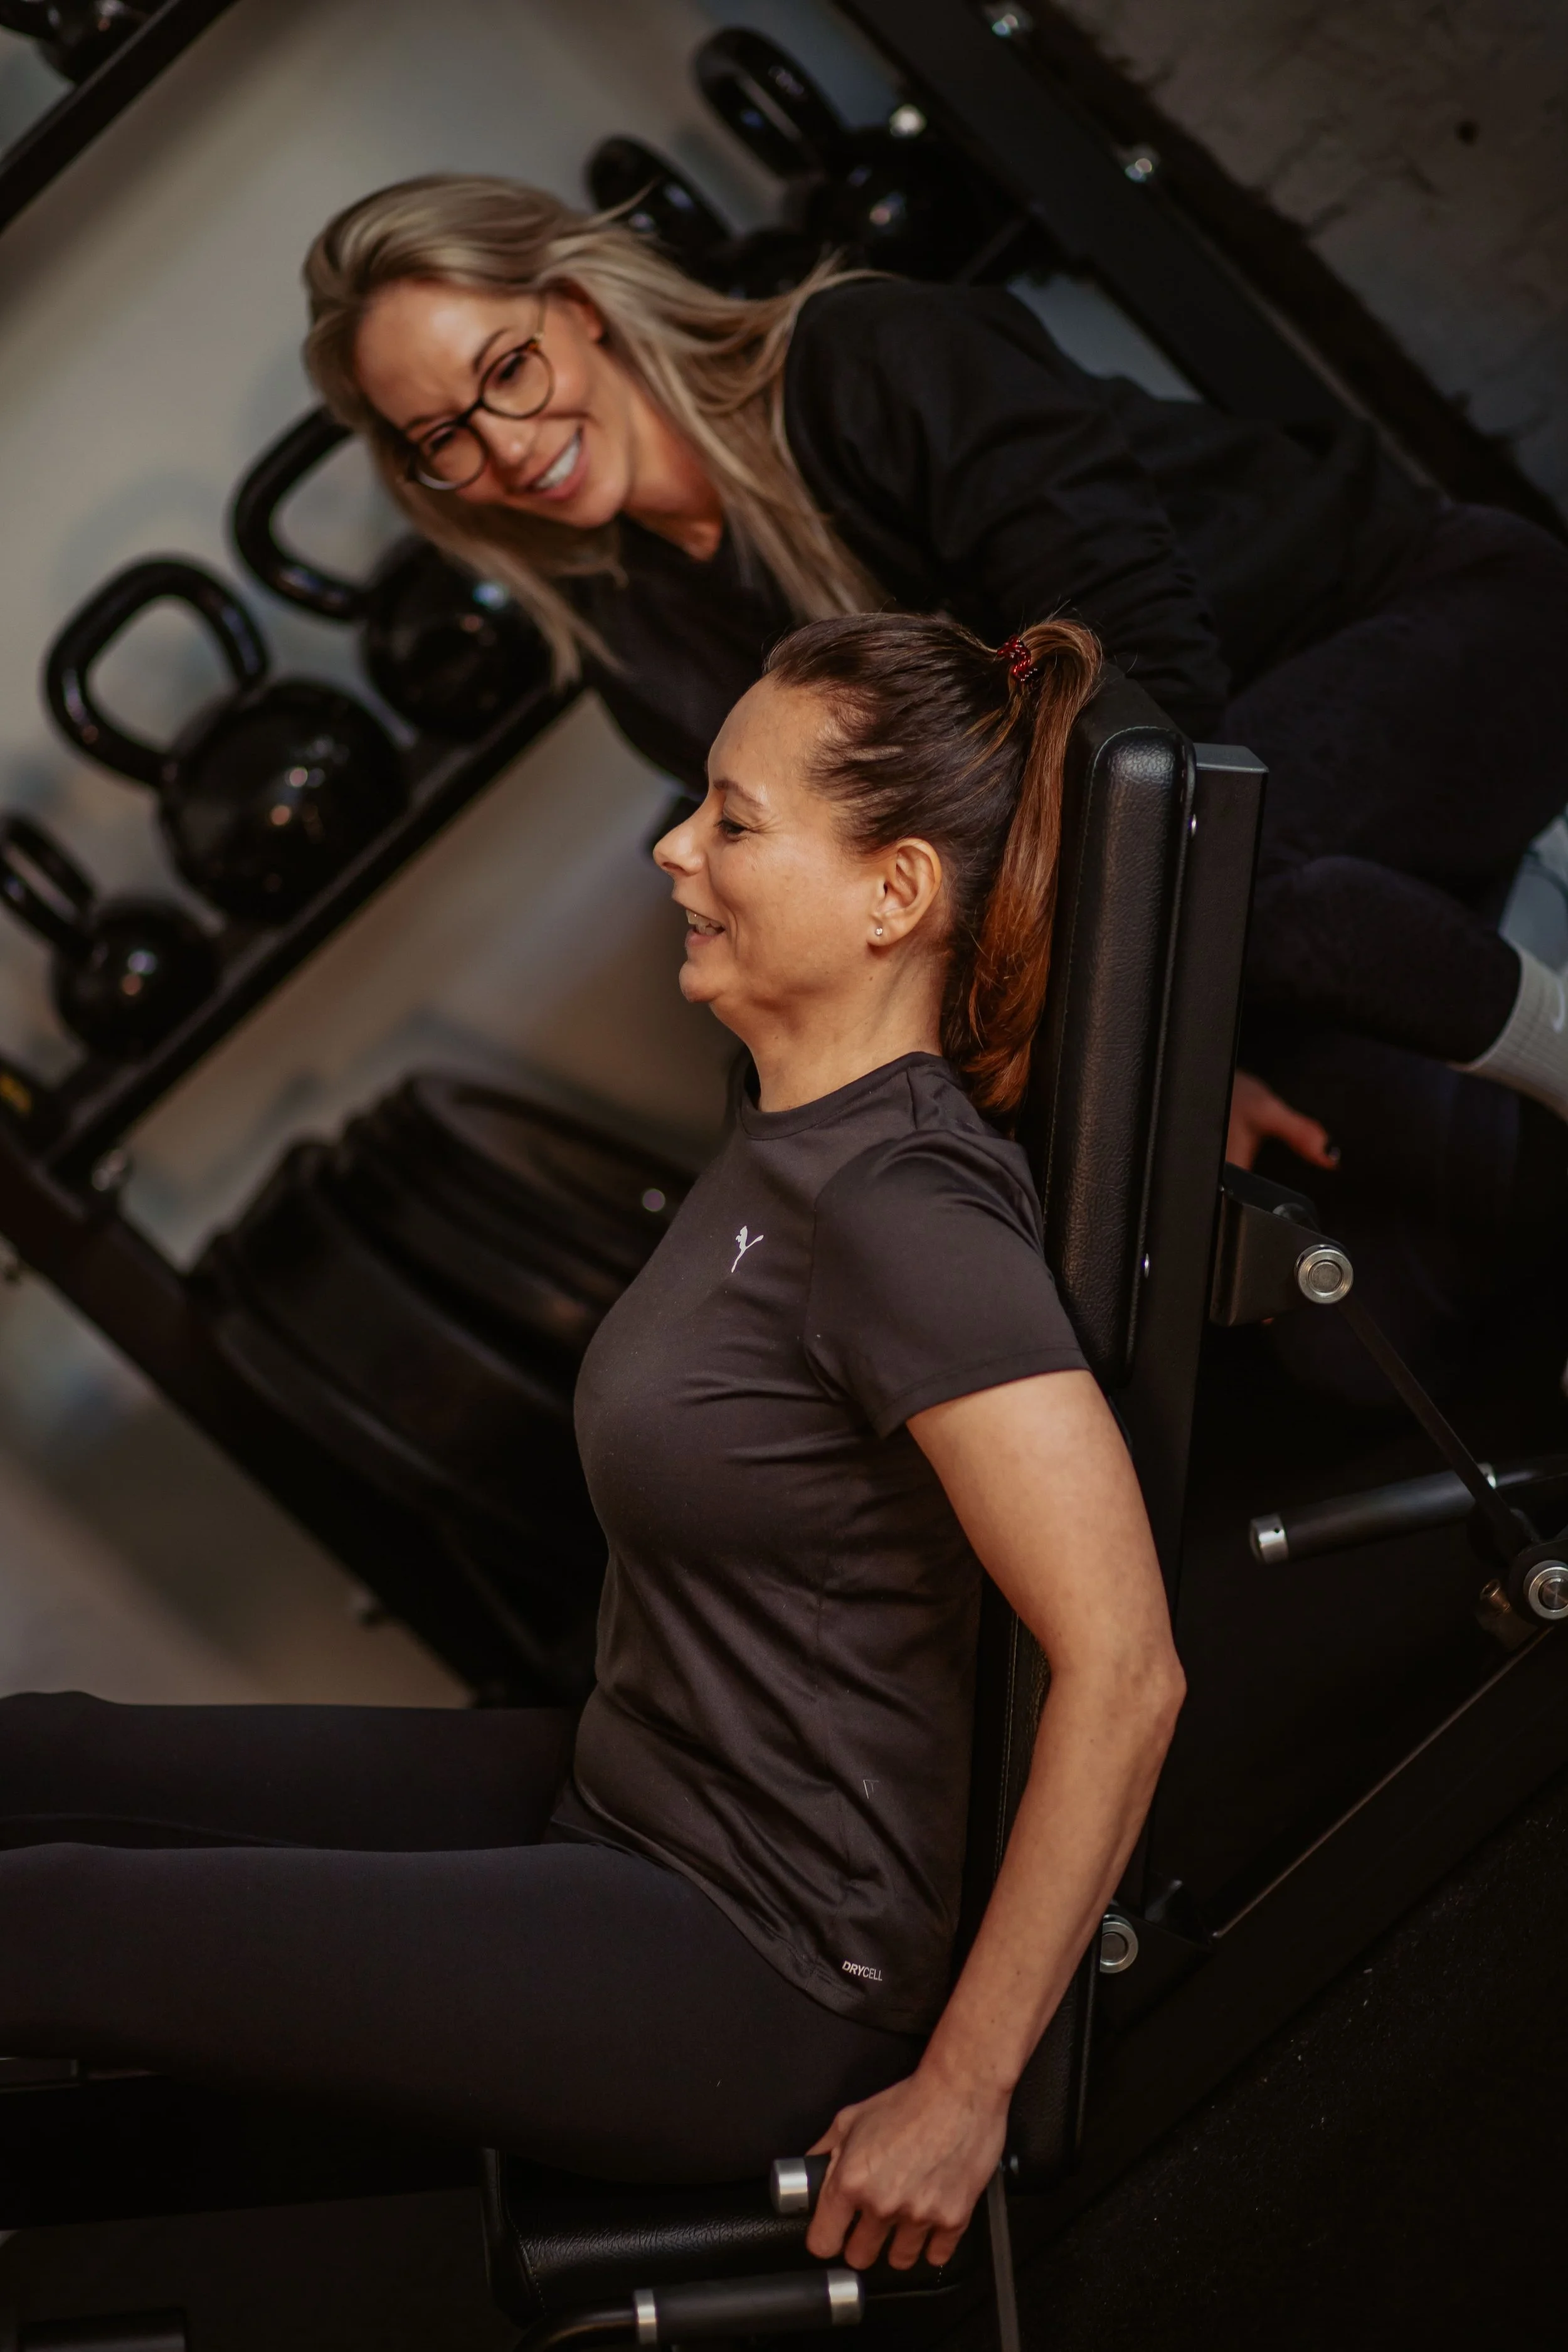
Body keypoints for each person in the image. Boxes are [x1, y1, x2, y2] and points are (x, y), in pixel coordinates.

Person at [0, 611, 1184, 2266]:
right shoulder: (784, 1125)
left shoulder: (902, 1209)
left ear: (892, 894)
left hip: (754, 1953)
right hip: (625, 1788)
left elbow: (1123, 1661)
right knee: (40, 1753)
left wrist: (963, 2090)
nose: (671, 848)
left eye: (732, 822)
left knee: (44, 1922)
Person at [303, 175, 1568, 1398]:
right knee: (1351, 1335)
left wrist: (1153, 1034)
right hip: (1188, 884)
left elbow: (1147, 686)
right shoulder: (645, 652)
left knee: (1216, 867)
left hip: (1422, 640)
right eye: (445, 442)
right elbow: (888, 921)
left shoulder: (866, 354)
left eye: (506, 372)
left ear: (577, 302)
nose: (507, 450)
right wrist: (1184, 1063)